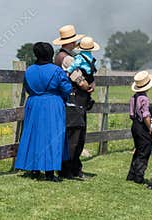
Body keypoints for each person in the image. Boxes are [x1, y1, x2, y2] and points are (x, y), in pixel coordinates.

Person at [14, 42, 72, 182]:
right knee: (52, 137)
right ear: (50, 54)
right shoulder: (56, 70)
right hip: (52, 104)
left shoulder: (29, 70)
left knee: (34, 135)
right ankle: (50, 172)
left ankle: (34, 169)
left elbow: (27, 88)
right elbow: (66, 88)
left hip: (34, 103)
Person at [53, 24, 94, 178]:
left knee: (72, 135)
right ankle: (69, 169)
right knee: (75, 136)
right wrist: (88, 86)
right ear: (71, 42)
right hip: (74, 99)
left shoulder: (59, 56)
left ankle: (72, 168)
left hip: (69, 99)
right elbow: (79, 79)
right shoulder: (68, 59)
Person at [126, 70, 152, 184]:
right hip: (142, 126)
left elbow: (131, 114)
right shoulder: (144, 98)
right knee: (144, 151)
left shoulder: (134, 97)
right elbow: (146, 115)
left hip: (134, 125)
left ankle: (131, 174)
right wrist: (150, 128)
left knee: (138, 150)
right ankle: (139, 176)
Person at [66, 36, 100, 110]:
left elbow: (75, 65)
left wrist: (68, 71)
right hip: (90, 76)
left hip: (83, 75)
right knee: (88, 91)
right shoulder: (91, 57)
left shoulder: (80, 57)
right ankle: (89, 99)